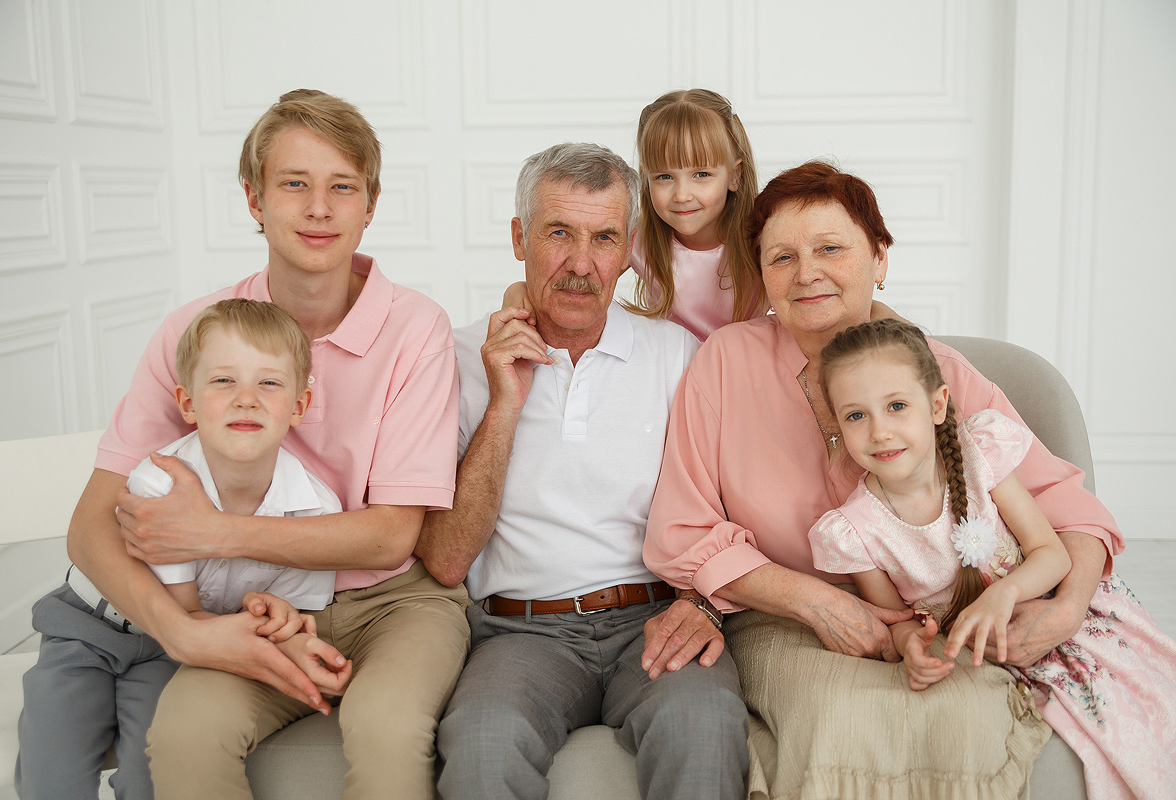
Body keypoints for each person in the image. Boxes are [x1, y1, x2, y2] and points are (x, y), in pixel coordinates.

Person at [643, 160, 1124, 799]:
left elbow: (1069, 508)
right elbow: (683, 532)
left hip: (941, 621)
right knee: (838, 719)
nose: (806, 271)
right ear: (761, 275)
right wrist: (821, 603)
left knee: (959, 717)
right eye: (781, 257)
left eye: (831, 248)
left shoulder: (935, 372)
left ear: (879, 257)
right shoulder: (724, 364)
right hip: (787, 619)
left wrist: (1063, 610)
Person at [66, 89, 470, 800]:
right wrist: (182, 633)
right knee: (186, 730)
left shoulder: (416, 329)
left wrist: (213, 532)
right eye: (294, 184)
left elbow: (388, 540)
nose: (319, 208)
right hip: (254, 609)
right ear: (254, 200)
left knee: (384, 727)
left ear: (370, 205)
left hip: (394, 605)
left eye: (342, 187)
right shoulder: (195, 332)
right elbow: (89, 527)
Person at [416, 142, 748, 800]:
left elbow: (733, 505)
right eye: (558, 233)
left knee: (703, 722)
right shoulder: (455, 359)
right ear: (519, 238)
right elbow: (447, 559)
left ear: (628, 249)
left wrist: (703, 603)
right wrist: (505, 403)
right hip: (517, 632)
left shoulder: (675, 354)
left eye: (602, 239)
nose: (579, 264)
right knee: (483, 741)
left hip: (653, 616)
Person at [809, 318, 1176, 800]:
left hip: (1052, 607)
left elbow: (1051, 553)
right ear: (838, 426)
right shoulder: (853, 530)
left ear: (937, 404)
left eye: (897, 406)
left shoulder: (981, 454)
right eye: (856, 416)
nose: (880, 431)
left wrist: (1005, 593)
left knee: (1150, 716)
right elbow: (896, 619)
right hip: (979, 650)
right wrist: (910, 646)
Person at [16, 298, 346, 800]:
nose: (246, 399)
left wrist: (281, 619)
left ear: (299, 405)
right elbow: (182, 611)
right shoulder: (158, 482)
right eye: (223, 381)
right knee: (53, 772)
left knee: (152, 769)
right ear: (186, 403)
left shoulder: (314, 508)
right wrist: (259, 624)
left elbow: (294, 610)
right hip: (90, 627)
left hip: (177, 654)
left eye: (270, 383)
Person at [502, 88, 764, 341]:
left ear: (735, 175)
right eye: (664, 176)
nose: (682, 195)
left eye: (701, 174)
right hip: (674, 372)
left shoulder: (761, 239)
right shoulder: (640, 241)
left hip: (744, 369)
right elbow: (579, 272)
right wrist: (517, 290)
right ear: (645, 179)